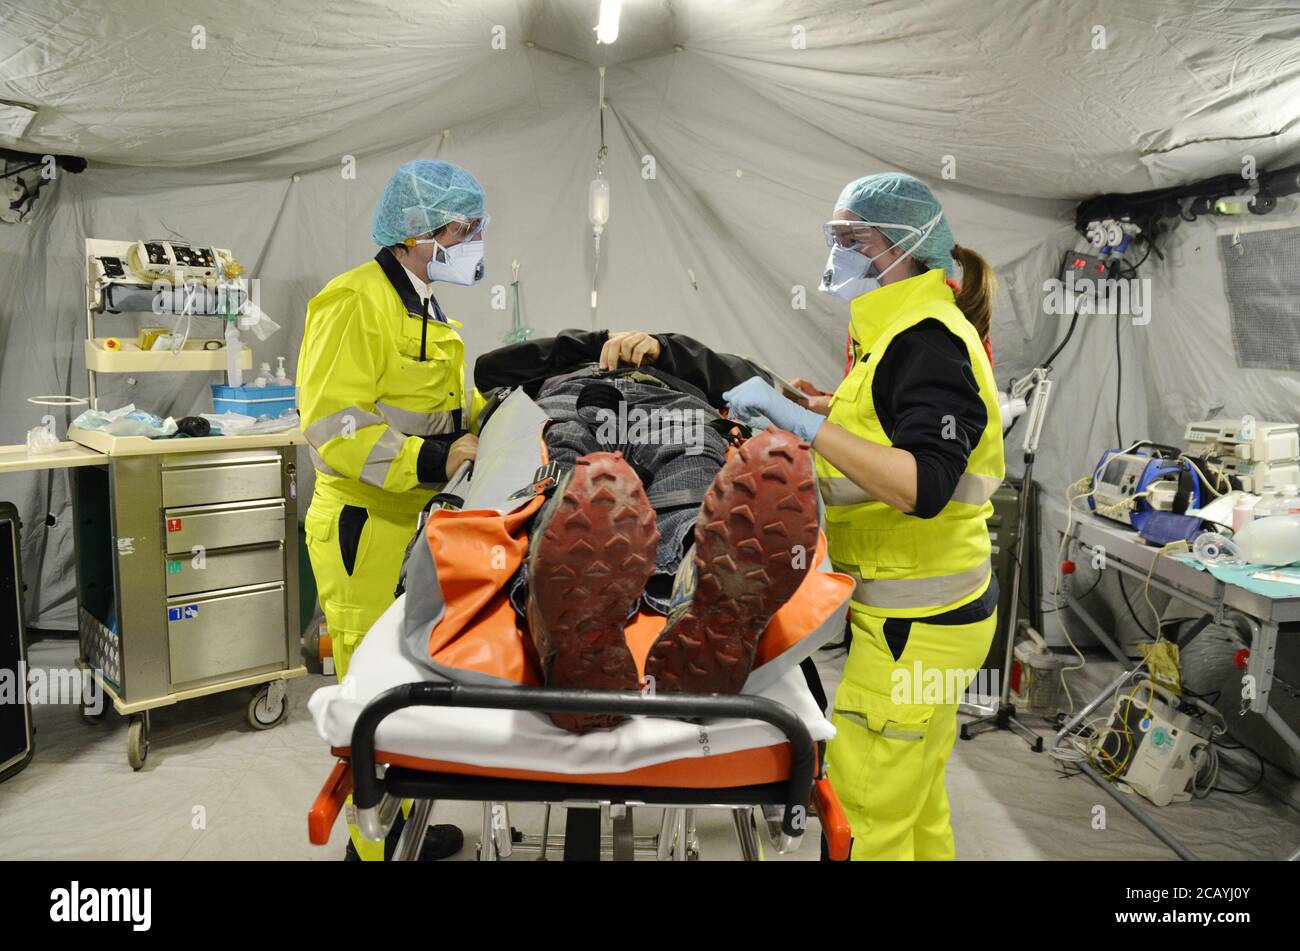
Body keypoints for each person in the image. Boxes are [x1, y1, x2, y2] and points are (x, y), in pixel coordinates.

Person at [723, 172, 1005, 860]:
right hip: (943, 615)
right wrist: (825, 408)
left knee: (866, 814)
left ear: (899, 248)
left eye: (850, 240)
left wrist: (802, 425)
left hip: (919, 627)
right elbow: (897, 426)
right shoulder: (899, 331)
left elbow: (922, 484)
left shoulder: (926, 340)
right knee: (919, 802)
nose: (835, 253)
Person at [473, 330, 821, 733]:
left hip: (673, 406)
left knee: (690, 490)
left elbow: (750, 379)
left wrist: (663, 347)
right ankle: (618, 615)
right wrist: (593, 342)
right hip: (573, 398)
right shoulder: (565, 356)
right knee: (570, 484)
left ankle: (700, 608)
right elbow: (489, 369)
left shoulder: (678, 356)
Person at [298, 159, 487, 861]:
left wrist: (490, 415)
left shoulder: (420, 299)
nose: (472, 241)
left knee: (404, 677)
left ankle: (400, 821)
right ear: (417, 232)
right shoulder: (353, 301)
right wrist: (434, 462)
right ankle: (369, 849)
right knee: (366, 690)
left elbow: (432, 404)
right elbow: (334, 424)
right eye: (463, 229)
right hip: (361, 524)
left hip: (404, 517)